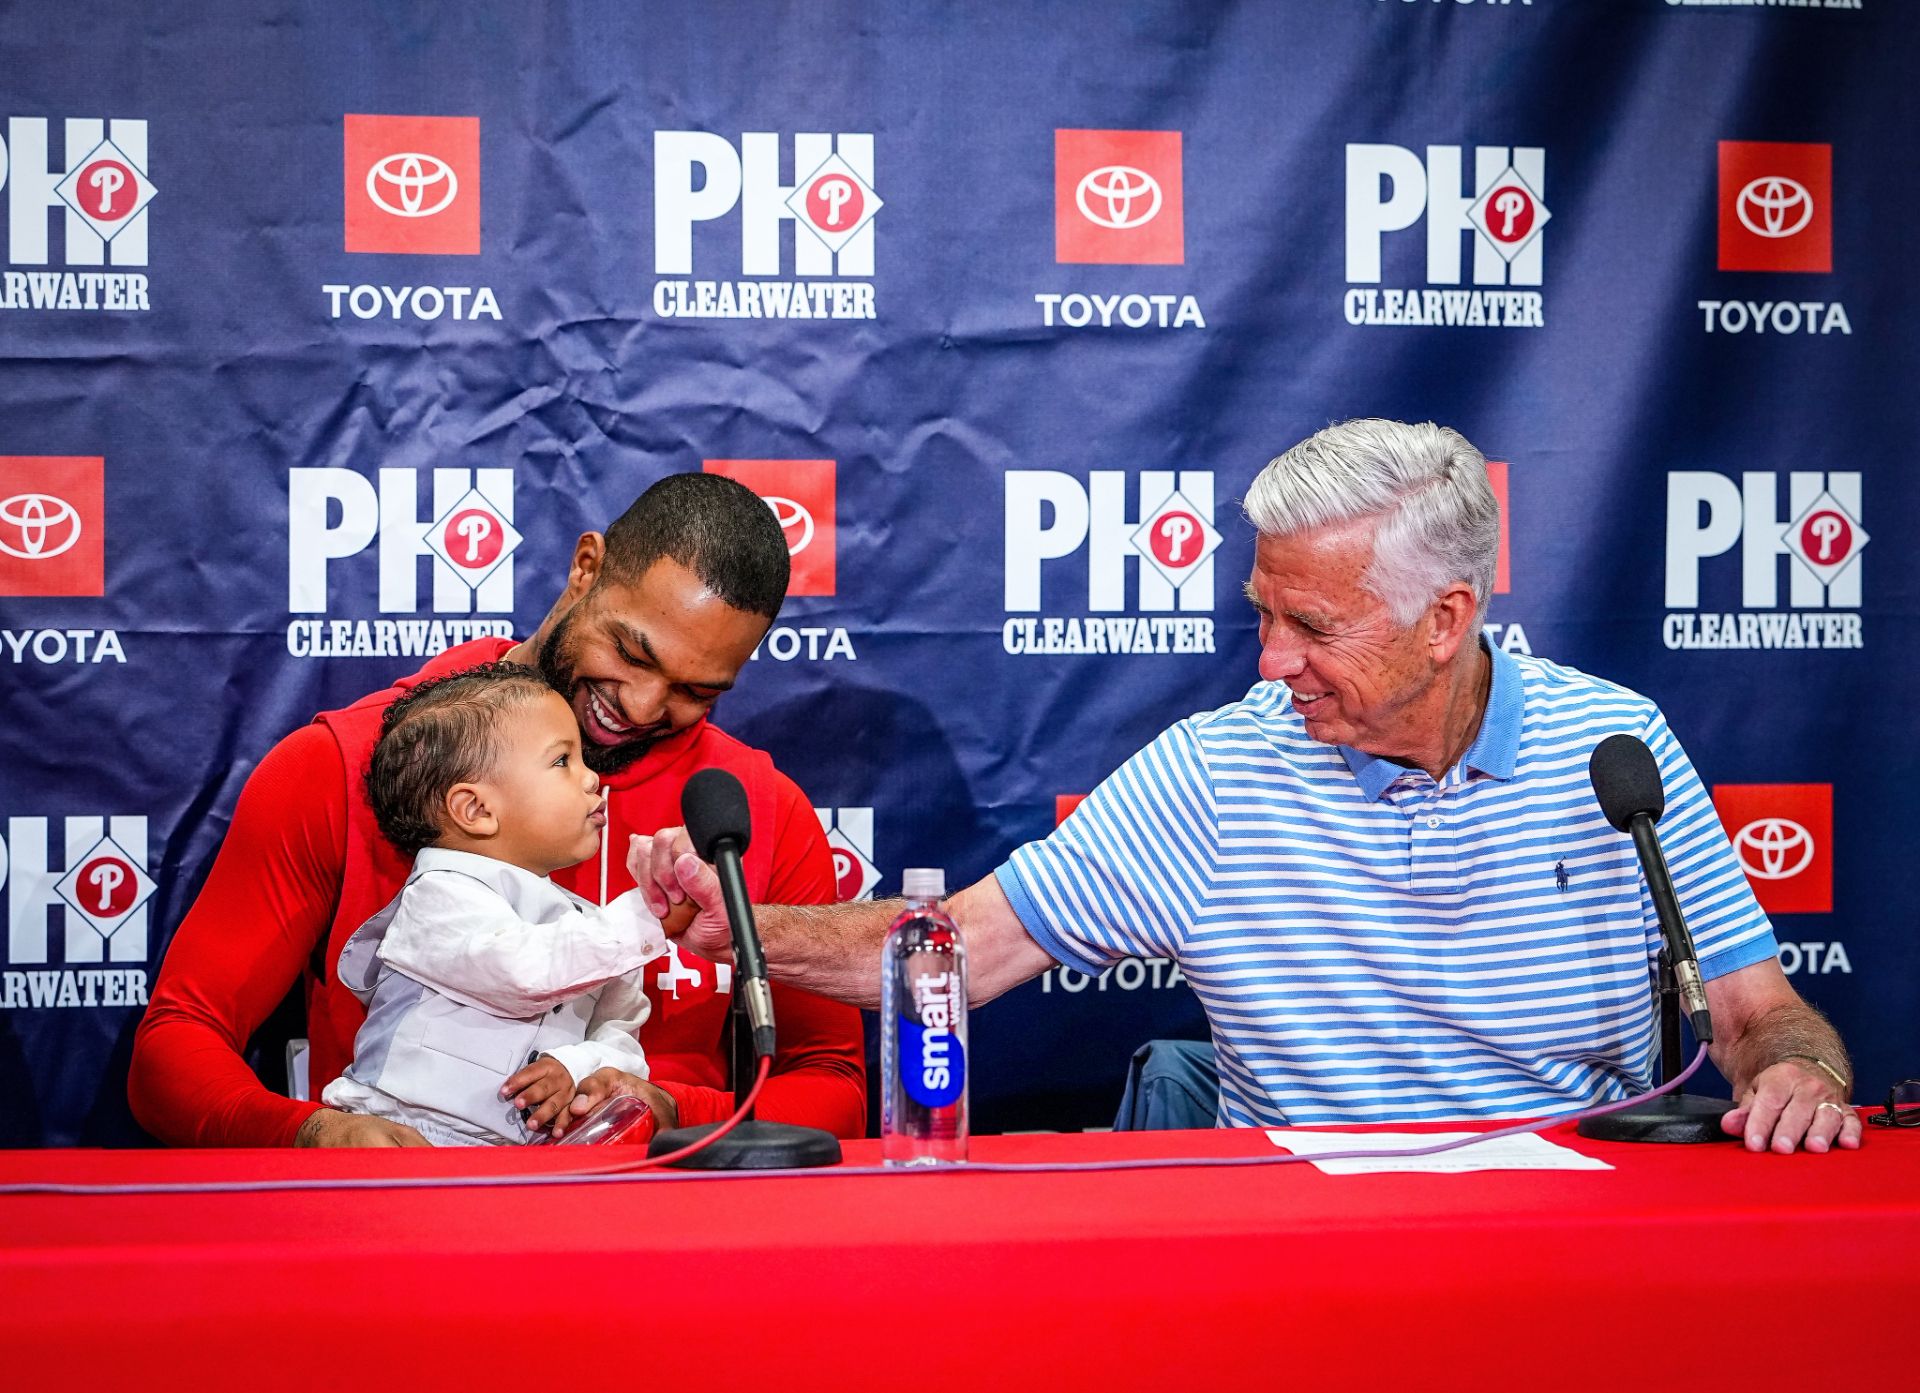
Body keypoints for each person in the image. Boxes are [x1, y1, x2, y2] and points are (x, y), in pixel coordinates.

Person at [636, 419, 1862, 1156]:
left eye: (1313, 627)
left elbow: (1760, 1016)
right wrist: (735, 925)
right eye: (1262, 615)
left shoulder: (1614, 747)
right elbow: (947, 947)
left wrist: (1802, 1073)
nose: (1272, 662)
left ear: (1446, 619)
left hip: (1573, 1242)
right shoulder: (1223, 770)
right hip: (1310, 1256)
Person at [130, 473, 865, 1147]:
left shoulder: (750, 810)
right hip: (403, 1234)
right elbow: (174, 1043)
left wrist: (673, 1109)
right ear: (585, 569)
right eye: (631, 654)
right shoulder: (345, 762)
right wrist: (312, 1133)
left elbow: (836, 1085)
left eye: (696, 691)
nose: (642, 707)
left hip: (660, 1239)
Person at [326, 662, 668, 1145]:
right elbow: (521, 972)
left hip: (518, 1159)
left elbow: (622, 1037)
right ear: (477, 810)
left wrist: (576, 1065)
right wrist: (650, 911)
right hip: (404, 1136)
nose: (592, 779)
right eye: (562, 761)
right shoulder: (438, 896)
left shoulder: (594, 927)